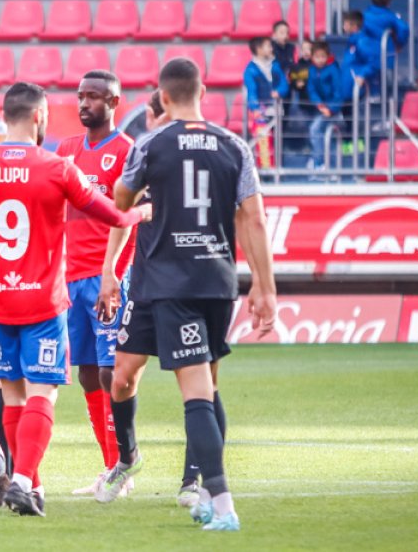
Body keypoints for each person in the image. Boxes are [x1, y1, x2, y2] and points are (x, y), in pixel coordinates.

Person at [0, 82, 149, 516]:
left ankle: (32, 486)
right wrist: (137, 214)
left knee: (13, 393)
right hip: (41, 302)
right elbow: (107, 212)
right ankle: (22, 479)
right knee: (43, 392)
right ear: (40, 118)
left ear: (5, 118)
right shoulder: (57, 167)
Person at [93, 57, 277, 533]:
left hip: (174, 282)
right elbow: (252, 219)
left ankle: (215, 500)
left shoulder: (151, 144)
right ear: (203, 93)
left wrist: (143, 197)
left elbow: (120, 199)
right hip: (215, 280)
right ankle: (172, 478)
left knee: (197, 391)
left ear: (164, 96)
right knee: (139, 377)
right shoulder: (235, 146)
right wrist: (264, 287)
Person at [55, 71, 138, 496]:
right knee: (87, 373)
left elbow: (136, 216)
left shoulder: (127, 152)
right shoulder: (66, 150)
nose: (83, 103)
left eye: (93, 97)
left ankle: (123, 463)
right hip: (70, 278)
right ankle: (111, 467)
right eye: (80, 96)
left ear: (115, 101)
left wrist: (115, 274)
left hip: (107, 278)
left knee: (110, 371)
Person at [243, 36, 289, 168]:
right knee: (263, 138)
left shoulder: (275, 65)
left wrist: (279, 91)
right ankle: (266, 168)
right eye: (268, 46)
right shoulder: (251, 69)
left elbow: (284, 83)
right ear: (258, 49)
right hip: (262, 111)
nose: (271, 49)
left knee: (278, 139)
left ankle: (279, 167)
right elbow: (251, 91)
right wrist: (255, 108)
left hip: (277, 108)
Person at [307, 41, 345, 171]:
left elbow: (339, 93)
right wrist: (319, 104)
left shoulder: (333, 70)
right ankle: (319, 161)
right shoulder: (312, 70)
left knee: (315, 129)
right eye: (317, 57)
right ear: (312, 57)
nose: (320, 60)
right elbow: (311, 90)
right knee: (318, 132)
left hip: (335, 112)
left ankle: (319, 163)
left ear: (327, 56)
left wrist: (331, 109)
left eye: (323, 56)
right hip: (321, 110)